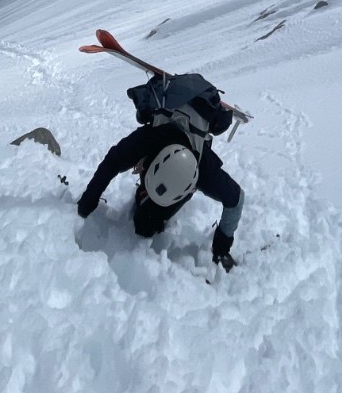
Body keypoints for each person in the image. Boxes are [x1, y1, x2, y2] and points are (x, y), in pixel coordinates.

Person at [75, 69, 244, 269]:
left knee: (145, 227)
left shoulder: (202, 166)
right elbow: (235, 200)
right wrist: (87, 202)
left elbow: (111, 162)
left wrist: (88, 202)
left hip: (188, 156)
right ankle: (149, 193)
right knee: (144, 225)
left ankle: (160, 195)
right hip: (168, 147)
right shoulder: (149, 139)